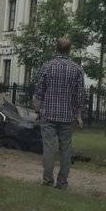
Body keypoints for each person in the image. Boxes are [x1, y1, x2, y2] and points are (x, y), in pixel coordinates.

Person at [33, 37, 85, 189]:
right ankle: (62, 182)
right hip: (67, 116)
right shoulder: (77, 69)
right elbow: (80, 95)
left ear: (56, 48)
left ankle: (47, 180)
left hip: (48, 114)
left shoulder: (47, 67)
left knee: (49, 148)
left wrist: (37, 110)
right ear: (70, 50)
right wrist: (78, 115)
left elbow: (39, 91)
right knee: (66, 149)